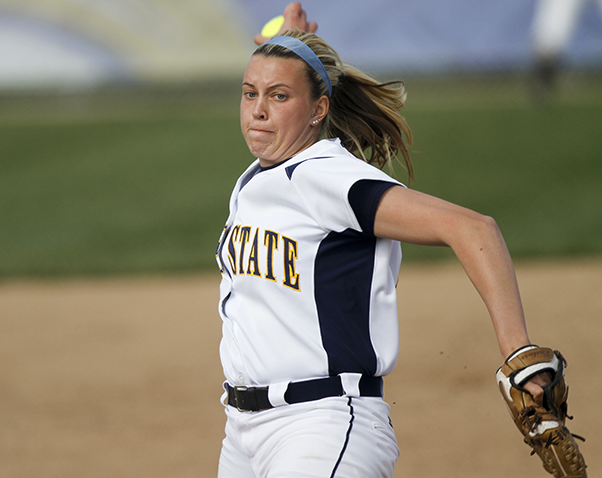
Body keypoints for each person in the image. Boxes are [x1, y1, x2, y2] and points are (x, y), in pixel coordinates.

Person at [214, 24, 549, 478]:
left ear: (318, 110)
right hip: (241, 435)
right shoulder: (261, 175)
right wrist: (291, 30)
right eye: (249, 93)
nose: (257, 111)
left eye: (278, 97)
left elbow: (473, 228)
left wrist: (518, 353)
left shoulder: (327, 177)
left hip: (320, 428)